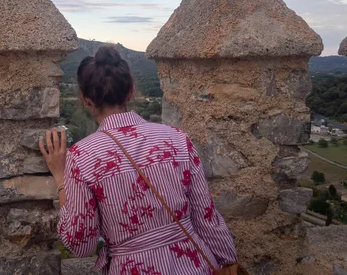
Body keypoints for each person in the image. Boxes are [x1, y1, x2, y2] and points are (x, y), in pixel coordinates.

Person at [40, 45, 238, 275]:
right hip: (195, 264)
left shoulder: (83, 157)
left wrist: (61, 177)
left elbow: (80, 244)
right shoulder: (177, 139)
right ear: (131, 92)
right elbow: (206, 217)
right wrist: (228, 260)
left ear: (85, 99)